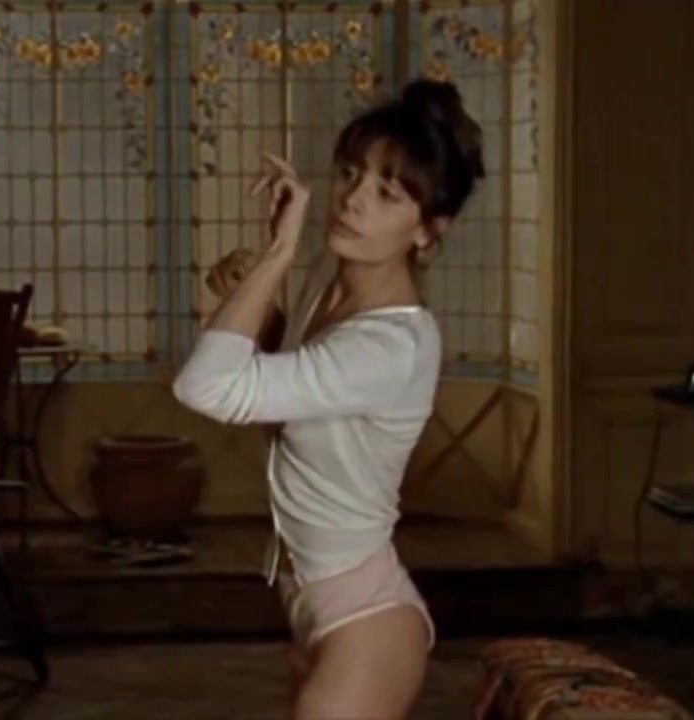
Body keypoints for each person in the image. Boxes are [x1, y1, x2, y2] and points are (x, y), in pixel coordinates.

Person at [172, 78, 485, 719]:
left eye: (386, 193)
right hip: (309, 600)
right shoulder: (333, 280)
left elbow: (204, 387)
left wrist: (276, 256)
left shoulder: (393, 344)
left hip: (365, 619)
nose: (351, 200)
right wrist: (258, 308)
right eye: (350, 173)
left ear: (428, 230)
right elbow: (305, 391)